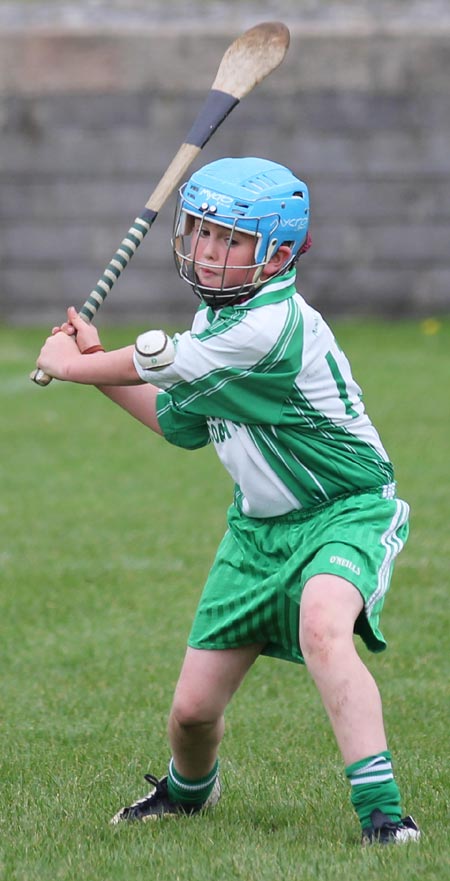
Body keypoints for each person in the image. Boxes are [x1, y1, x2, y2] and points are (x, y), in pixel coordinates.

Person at [36, 157, 420, 845]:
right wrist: (94, 366)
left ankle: (385, 816)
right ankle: (189, 792)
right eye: (203, 232)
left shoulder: (269, 327)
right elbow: (176, 420)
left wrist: (72, 365)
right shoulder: (217, 324)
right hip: (255, 534)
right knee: (190, 714)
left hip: (344, 510)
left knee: (324, 626)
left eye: (230, 238)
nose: (209, 249)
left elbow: (158, 359)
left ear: (275, 253)